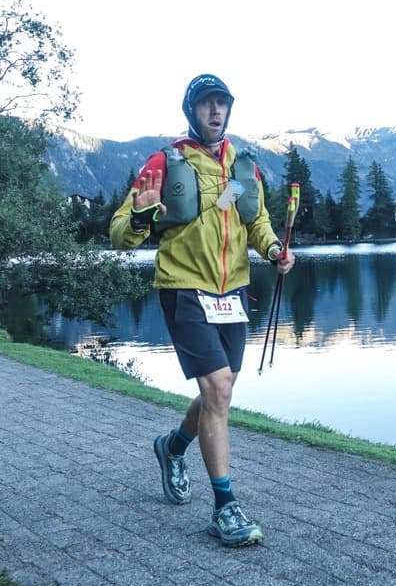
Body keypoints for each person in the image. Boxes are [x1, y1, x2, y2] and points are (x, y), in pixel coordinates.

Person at [110, 73, 295, 548]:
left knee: (221, 393)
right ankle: (225, 507)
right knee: (217, 390)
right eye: (207, 103)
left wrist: (274, 250)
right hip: (184, 288)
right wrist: (141, 215)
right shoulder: (165, 161)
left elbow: (257, 221)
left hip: (233, 293)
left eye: (222, 103)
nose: (216, 111)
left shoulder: (243, 164)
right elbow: (119, 233)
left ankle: (172, 447)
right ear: (191, 111)